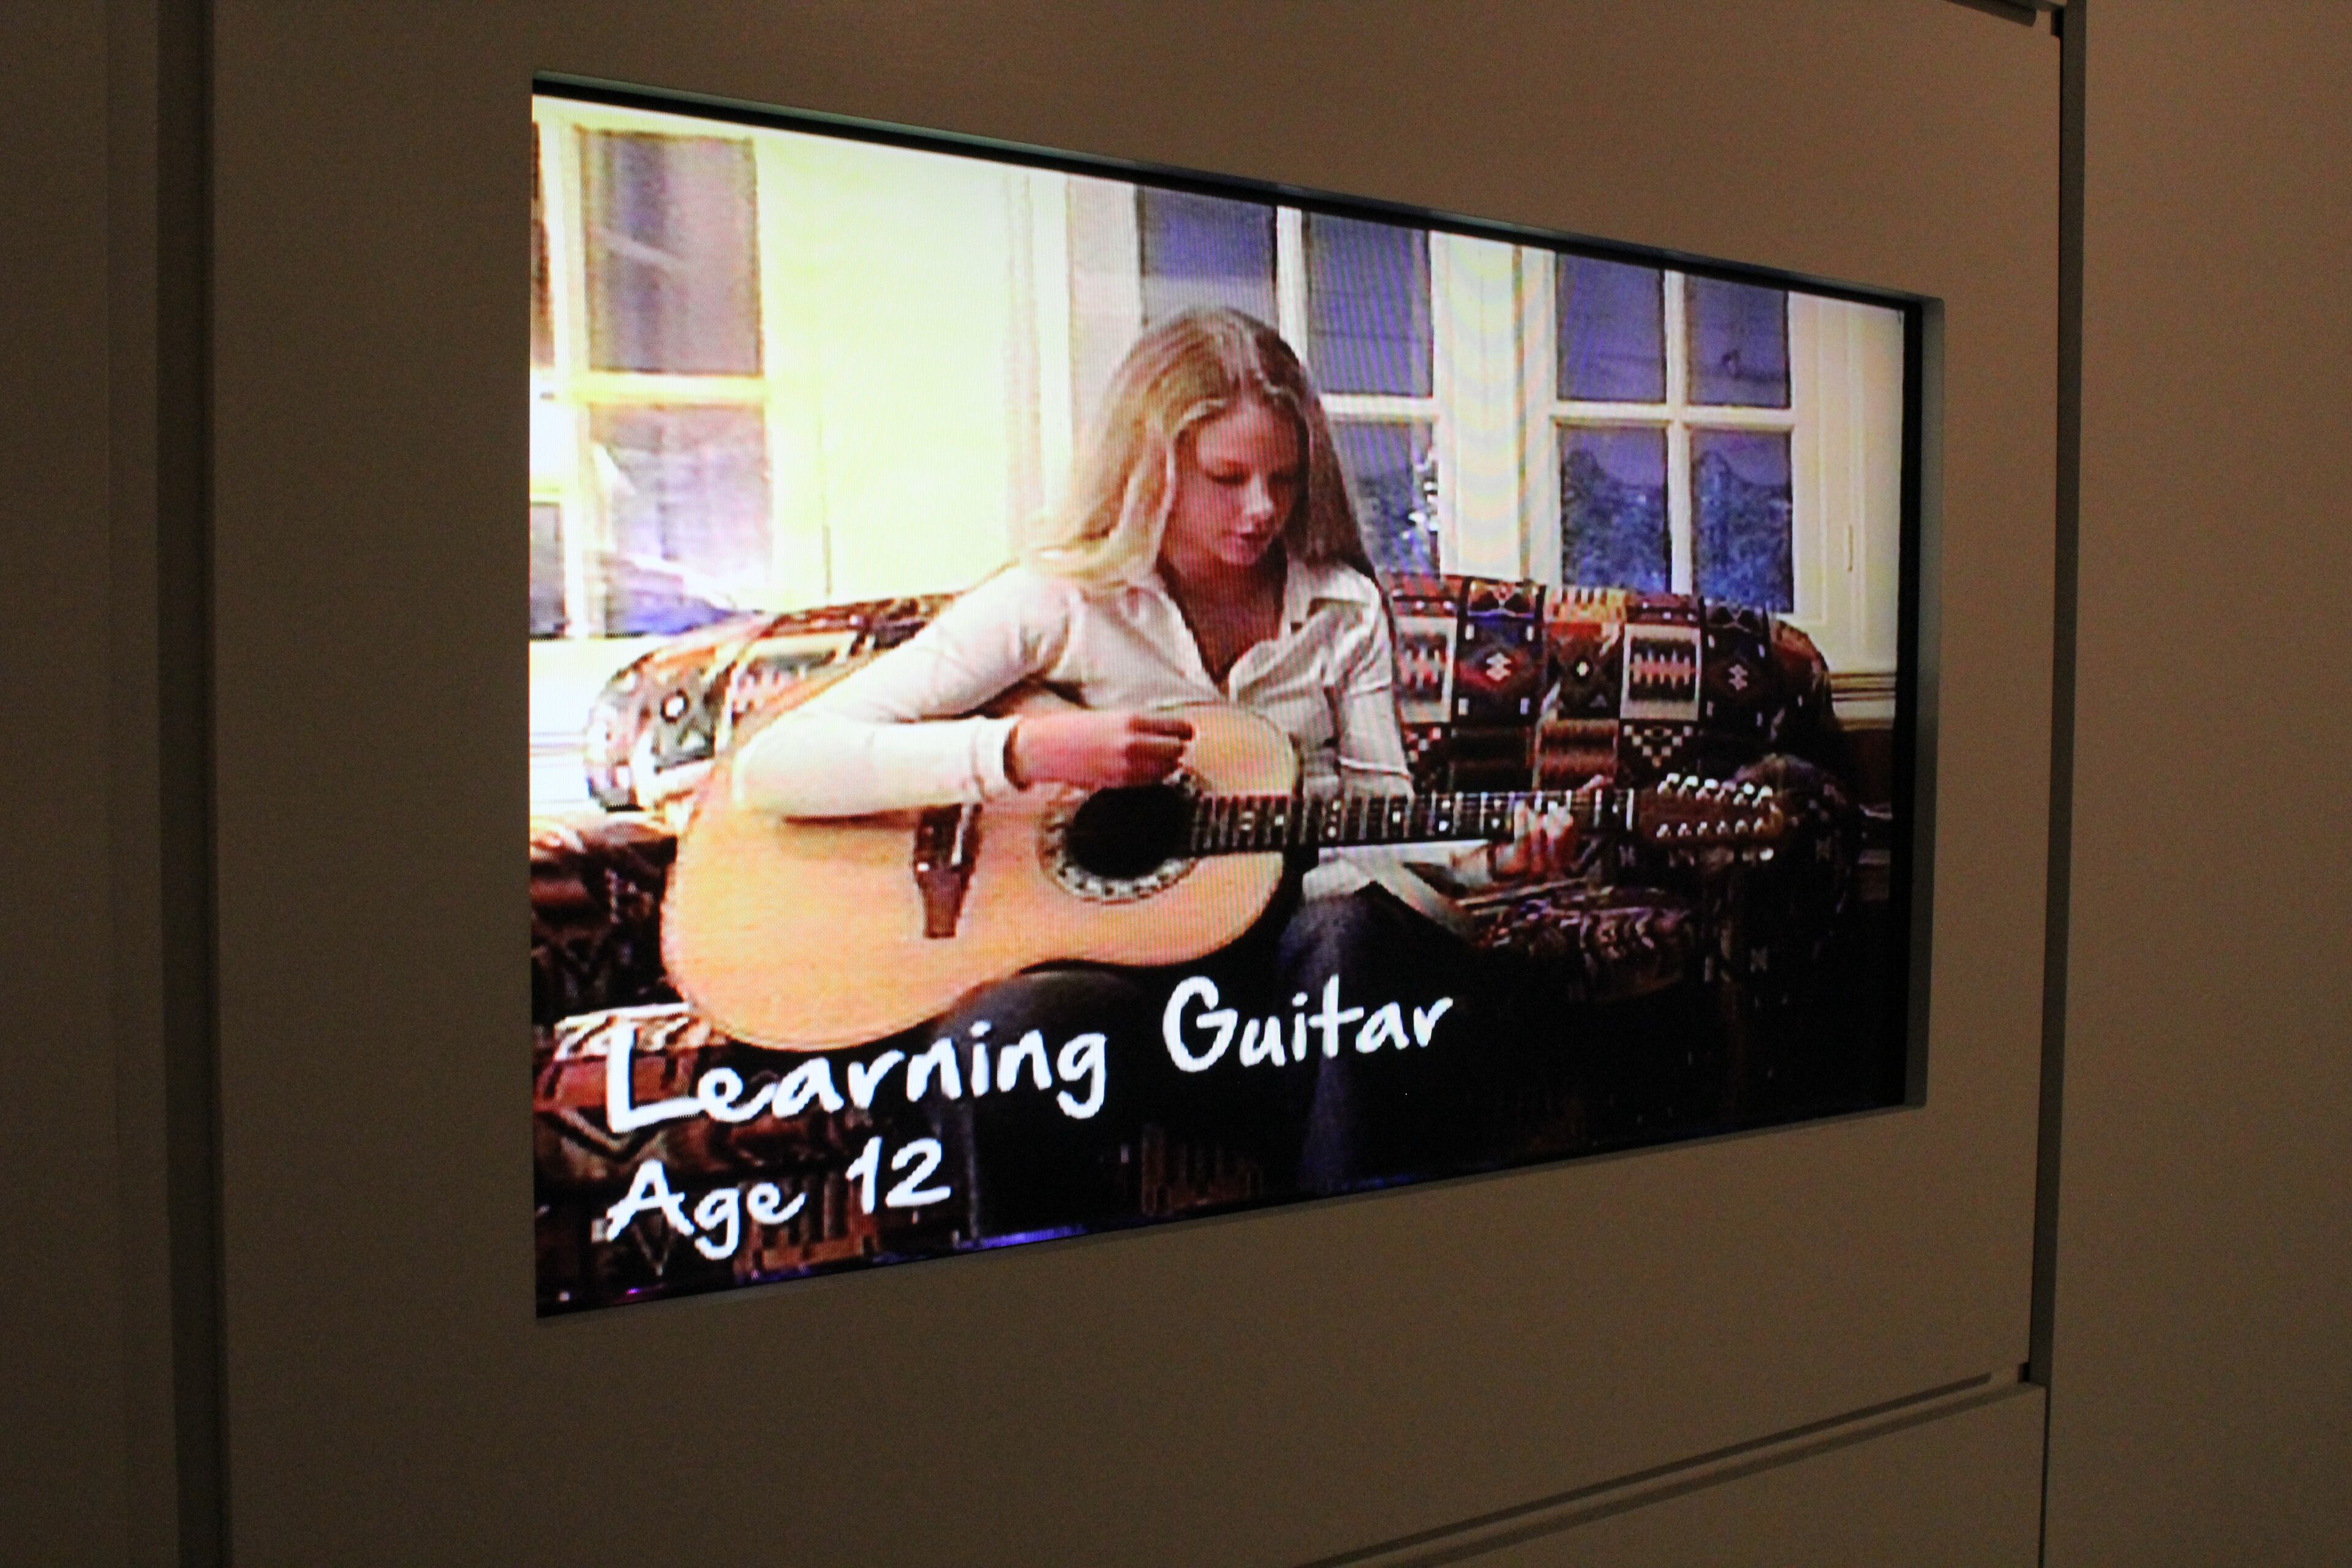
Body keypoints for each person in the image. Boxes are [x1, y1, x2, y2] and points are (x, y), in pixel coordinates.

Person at [732, 307, 1571, 1234]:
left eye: (1284, 479)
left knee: (1353, 938)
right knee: (1004, 1043)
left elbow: (1380, 815)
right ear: (1147, 469)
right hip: (1113, 977)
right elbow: (777, 766)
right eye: (1227, 479)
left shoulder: (1342, 610)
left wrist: (1489, 861)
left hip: (1286, 981)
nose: (1262, 511)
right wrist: (1022, 753)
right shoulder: (1058, 600)